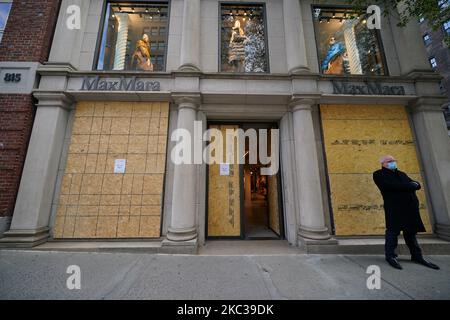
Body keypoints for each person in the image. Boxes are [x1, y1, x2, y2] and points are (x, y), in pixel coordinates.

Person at [373, 155, 439, 270]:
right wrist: (410, 186)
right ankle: (390, 256)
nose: (393, 162)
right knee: (393, 232)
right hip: (394, 209)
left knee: (411, 234)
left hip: (410, 208)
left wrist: (413, 185)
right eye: (389, 161)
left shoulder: (402, 174)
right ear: (383, 163)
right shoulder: (379, 174)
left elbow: (417, 184)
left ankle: (417, 256)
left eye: (394, 161)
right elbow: (388, 186)